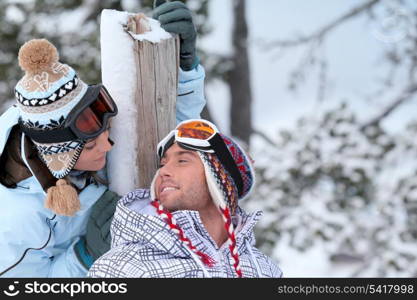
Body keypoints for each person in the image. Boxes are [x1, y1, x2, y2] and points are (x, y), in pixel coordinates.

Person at [0, 1, 205, 277]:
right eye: (91, 145)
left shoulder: (93, 129)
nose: (108, 146)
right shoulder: (16, 220)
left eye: (105, 133)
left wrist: (181, 69)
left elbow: (165, 133)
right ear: (61, 157)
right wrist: (85, 256)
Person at [88, 119, 283, 278]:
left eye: (182, 160)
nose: (163, 171)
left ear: (220, 180)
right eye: (162, 164)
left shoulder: (264, 270)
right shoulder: (122, 268)